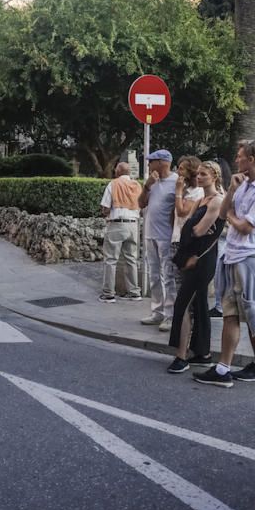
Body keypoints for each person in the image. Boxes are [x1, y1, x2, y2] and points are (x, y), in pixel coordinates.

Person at [194, 140, 255, 388]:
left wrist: (232, 216)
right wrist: (231, 190)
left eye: (240, 156)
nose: (237, 159)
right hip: (234, 255)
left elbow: (244, 226)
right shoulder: (243, 184)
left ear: (251, 160)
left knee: (254, 315)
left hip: (252, 258)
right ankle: (224, 369)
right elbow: (222, 214)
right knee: (231, 313)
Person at [167, 162, 225, 374]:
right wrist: (194, 229)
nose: (199, 177)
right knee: (199, 305)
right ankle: (202, 353)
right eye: (198, 173)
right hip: (192, 255)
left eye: (204, 174)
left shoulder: (217, 201)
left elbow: (198, 230)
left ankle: (181, 356)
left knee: (182, 304)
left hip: (201, 258)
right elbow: (189, 224)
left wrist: (194, 229)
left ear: (215, 176)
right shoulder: (202, 199)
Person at [138, 150, 179, 327]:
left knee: (168, 276)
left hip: (166, 236)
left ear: (162, 162)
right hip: (150, 234)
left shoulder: (177, 181)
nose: (148, 164)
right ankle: (157, 312)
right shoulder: (152, 182)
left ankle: (170, 315)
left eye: (151, 161)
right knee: (154, 275)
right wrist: (147, 186)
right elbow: (140, 204)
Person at [99, 161, 142, 303]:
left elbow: (105, 207)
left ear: (118, 171)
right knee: (131, 259)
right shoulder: (137, 185)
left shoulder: (113, 184)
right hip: (133, 225)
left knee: (111, 259)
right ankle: (134, 292)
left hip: (117, 224)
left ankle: (108, 294)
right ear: (128, 172)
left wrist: (106, 213)